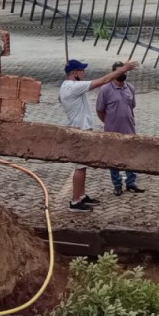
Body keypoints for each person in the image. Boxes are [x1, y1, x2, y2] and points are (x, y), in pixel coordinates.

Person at [59, 57, 138, 211]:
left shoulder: (68, 86)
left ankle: (81, 195)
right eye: (81, 70)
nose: (84, 73)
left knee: (83, 166)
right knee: (80, 167)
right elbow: (103, 80)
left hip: (82, 129)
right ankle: (75, 201)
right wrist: (123, 69)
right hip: (79, 130)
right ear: (74, 73)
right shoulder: (73, 87)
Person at [96, 61, 144, 197]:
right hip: (112, 130)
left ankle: (131, 183)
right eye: (119, 71)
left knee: (131, 157)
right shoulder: (105, 89)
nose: (123, 73)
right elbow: (100, 110)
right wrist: (108, 122)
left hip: (129, 129)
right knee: (114, 159)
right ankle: (117, 185)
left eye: (124, 71)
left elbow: (132, 106)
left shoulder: (130, 88)